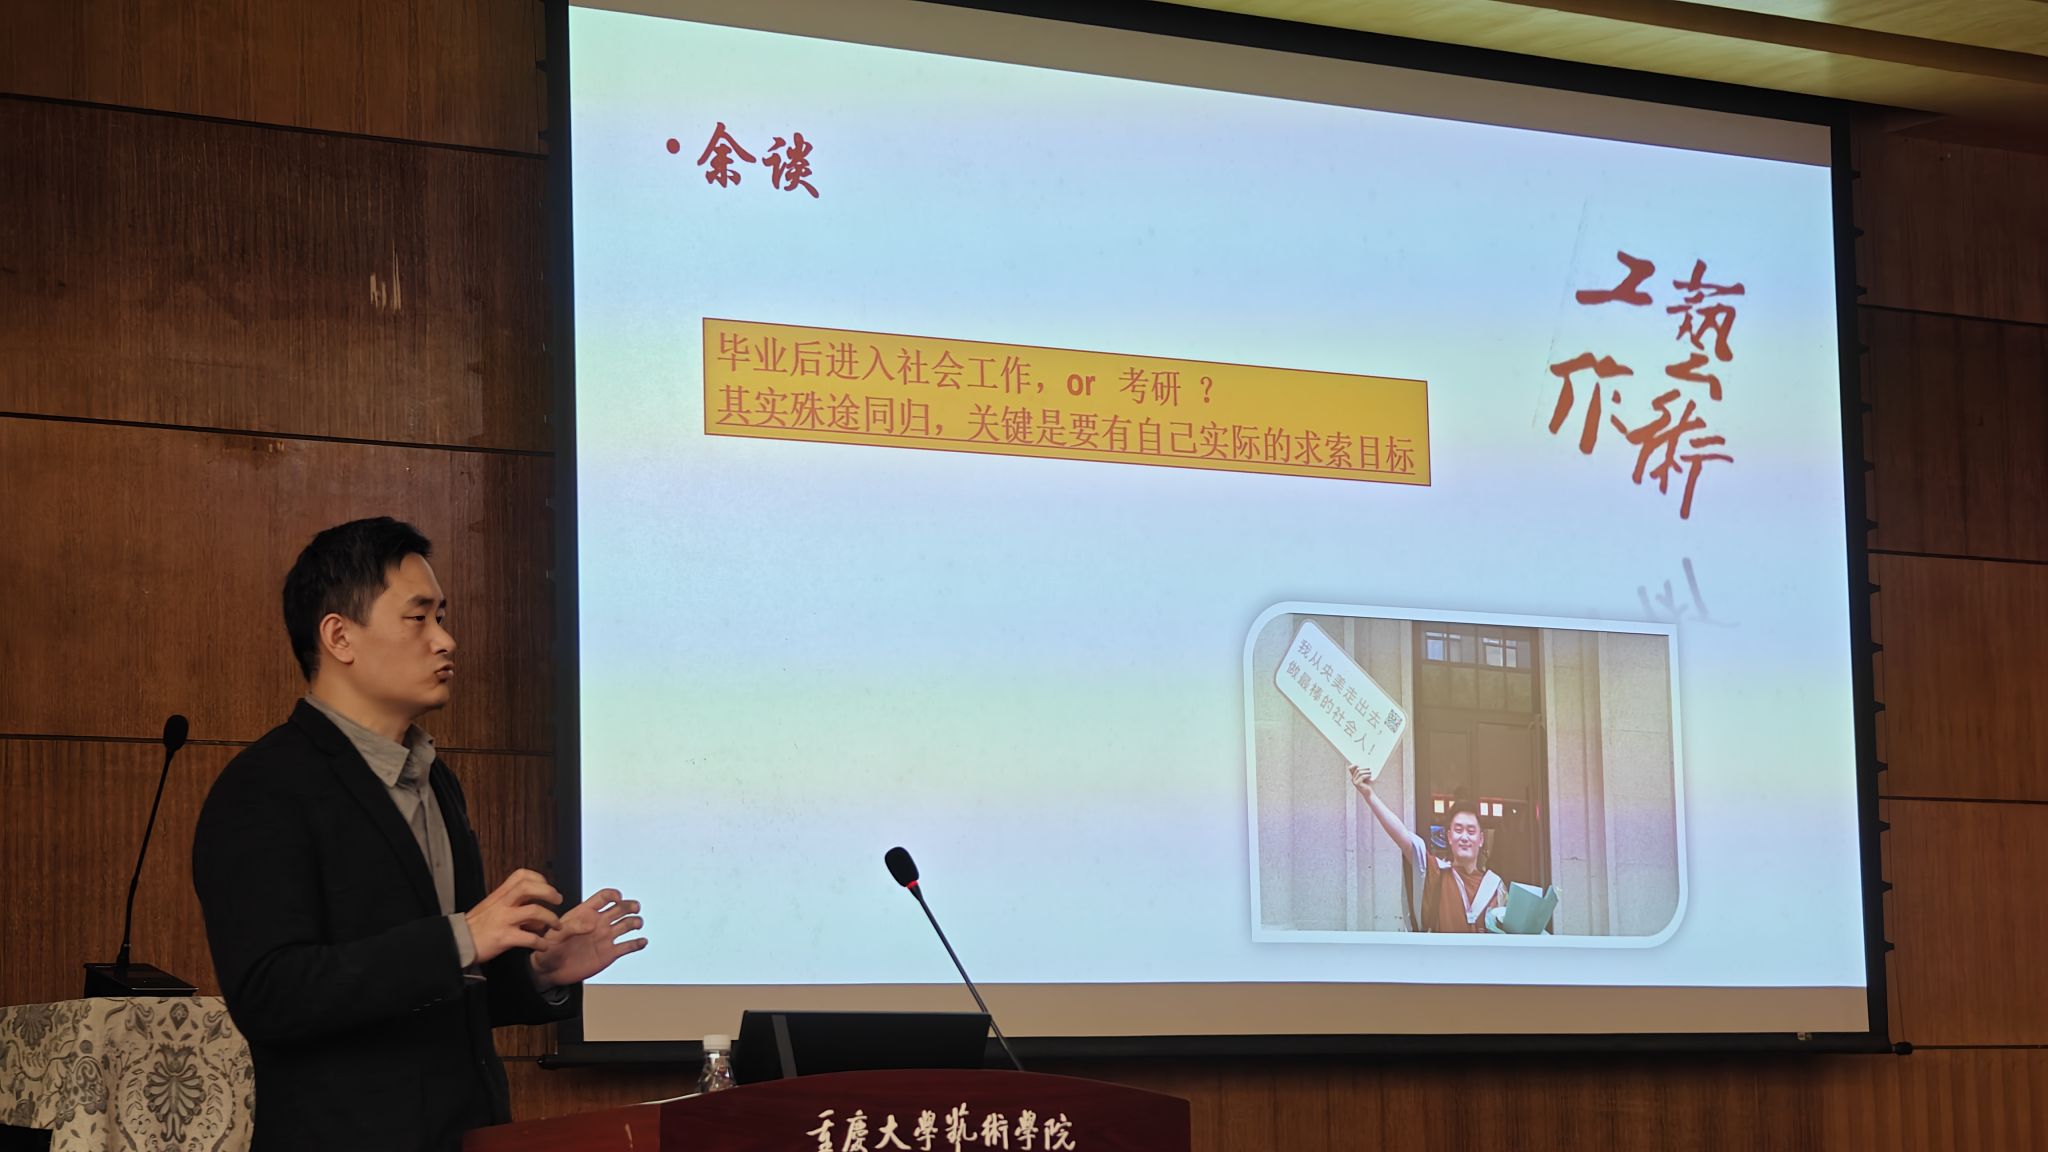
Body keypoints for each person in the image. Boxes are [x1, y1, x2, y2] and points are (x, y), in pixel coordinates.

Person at [192, 518, 650, 1151]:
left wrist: (538, 973)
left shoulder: (436, 780)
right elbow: (271, 996)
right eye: (419, 618)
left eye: (443, 616)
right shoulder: (265, 787)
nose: (445, 639)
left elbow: (438, 995)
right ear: (339, 637)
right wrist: (462, 937)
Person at [1349, 766, 1506, 933]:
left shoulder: (1496, 888)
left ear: (1481, 839)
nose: (1464, 837)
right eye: (1458, 830)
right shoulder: (1436, 873)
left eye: (1471, 831)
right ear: (1449, 837)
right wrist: (1369, 795)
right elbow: (1403, 837)